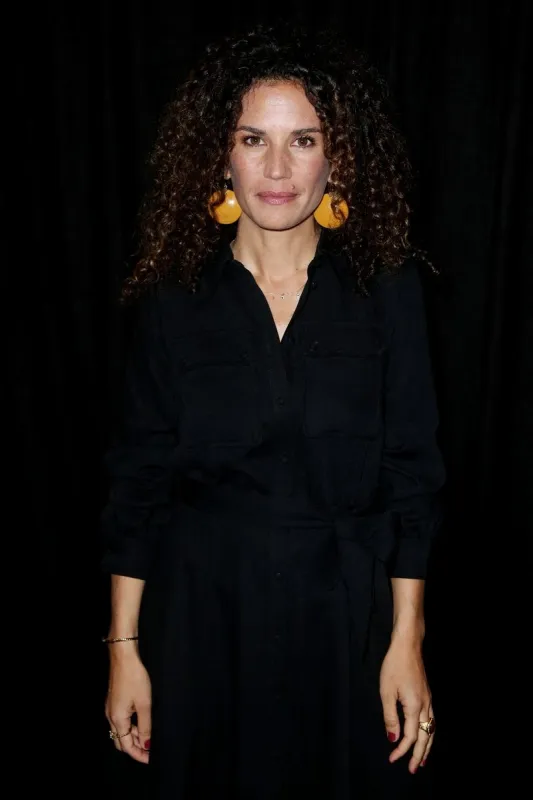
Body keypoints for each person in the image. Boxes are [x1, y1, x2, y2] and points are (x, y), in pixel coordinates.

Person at [101, 21, 446, 799]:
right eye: (253, 139)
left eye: (304, 139)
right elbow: (138, 484)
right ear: (219, 153)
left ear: (338, 156)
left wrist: (407, 641)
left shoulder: (385, 293)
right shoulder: (172, 302)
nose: (278, 168)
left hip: (345, 624)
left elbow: (412, 479)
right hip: (201, 625)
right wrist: (124, 648)